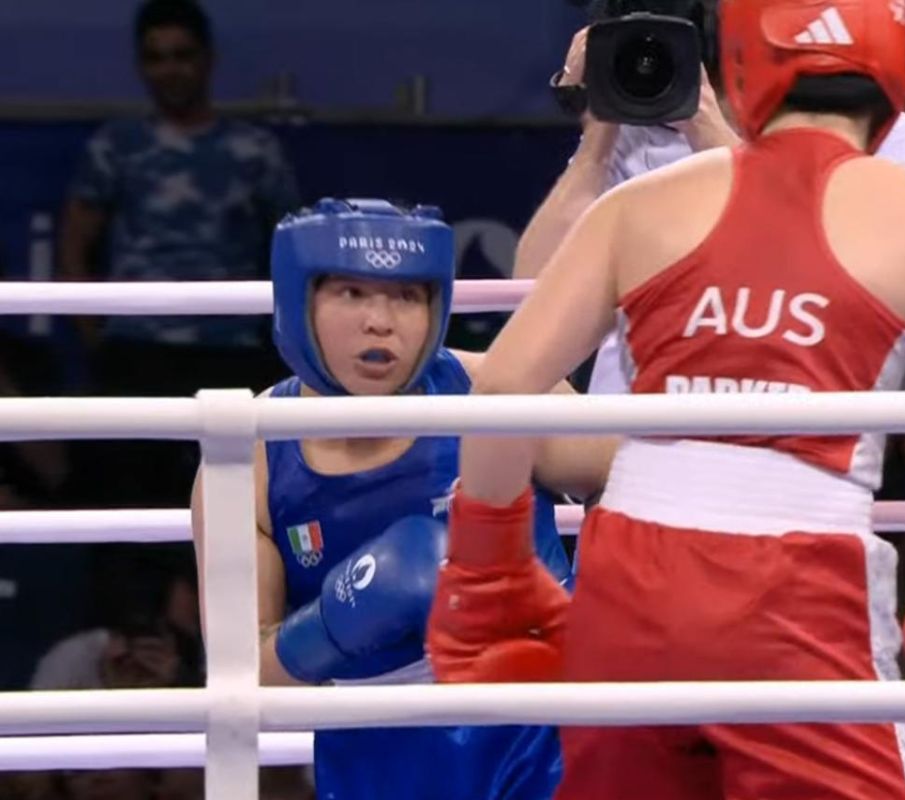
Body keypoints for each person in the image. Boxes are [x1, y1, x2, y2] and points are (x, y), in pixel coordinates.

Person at [428, 0, 905, 797]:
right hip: (799, 580)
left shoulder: (639, 208)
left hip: (629, 570)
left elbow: (507, 387)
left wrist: (489, 575)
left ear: (733, 70)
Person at [190, 198, 616, 799]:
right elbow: (243, 678)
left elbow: (629, 485)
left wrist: (586, 618)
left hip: (547, 734)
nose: (381, 322)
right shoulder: (252, 459)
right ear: (298, 301)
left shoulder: (498, 394)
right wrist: (340, 619)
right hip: (377, 752)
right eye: (352, 294)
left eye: (406, 296)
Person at [520, 10, 905, 394]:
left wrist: (705, 126)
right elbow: (527, 290)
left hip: (789, 419)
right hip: (630, 426)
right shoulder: (631, 132)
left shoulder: (877, 130)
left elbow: (821, 272)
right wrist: (597, 133)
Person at [59, 0, 300, 507]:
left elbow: (291, 251)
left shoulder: (254, 151)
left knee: (237, 505)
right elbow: (74, 246)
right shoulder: (116, 146)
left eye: (181, 54)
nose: (170, 69)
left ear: (207, 59)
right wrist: (97, 340)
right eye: (155, 57)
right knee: (125, 510)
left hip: (232, 353)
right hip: (134, 353)